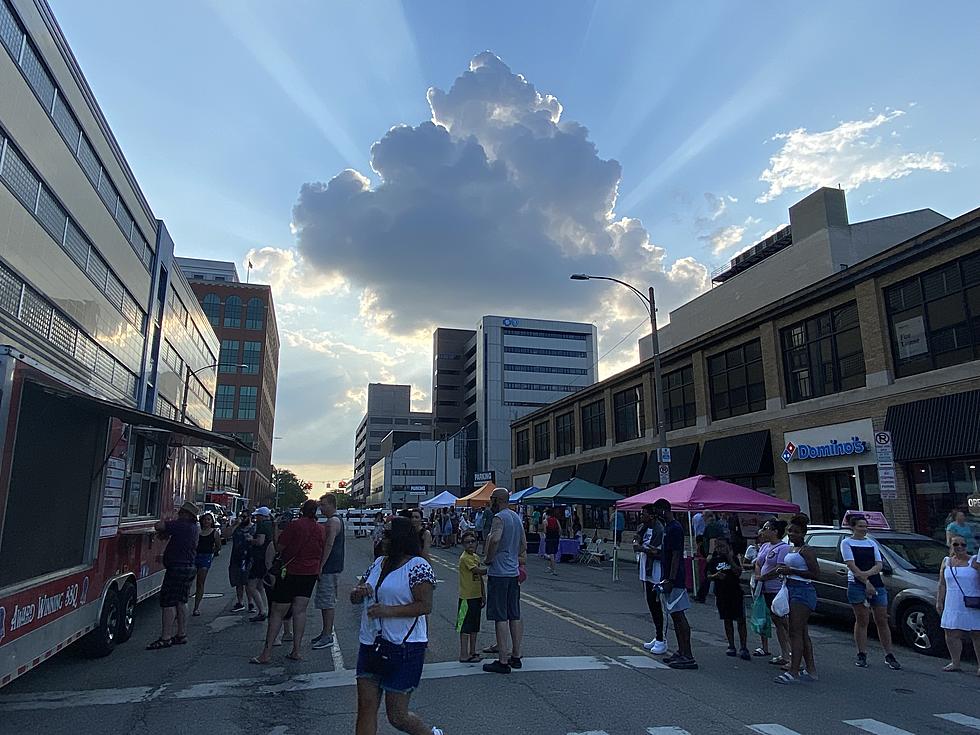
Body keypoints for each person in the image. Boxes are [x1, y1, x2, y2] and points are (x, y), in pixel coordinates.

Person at [350, 516, 443, 735]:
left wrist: (387, 611)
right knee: (366, 707)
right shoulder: (378, 563)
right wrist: (358, 593)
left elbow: (425, 605)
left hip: (404, 647)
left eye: (388, 534)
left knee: (397, 716)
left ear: (400, 538)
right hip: (371, 644)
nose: (382, 538)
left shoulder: (418, 566)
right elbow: (358, 592)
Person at [251, 499, 325, 664]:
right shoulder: (320, 529)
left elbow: (279, 548)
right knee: (300, 611)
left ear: (302, 511)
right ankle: (296, 650)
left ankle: (266, 653)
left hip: (290, 571)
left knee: (278, 611)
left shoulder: (295, 525)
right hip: (310, 573)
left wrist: (276, 529)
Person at [841, 514, 901, 670]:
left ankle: (889, 654)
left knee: (882, 619)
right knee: (862, 619)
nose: (864, 529)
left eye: (865, 526)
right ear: (853, 527)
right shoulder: (846, 543)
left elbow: (879, 564)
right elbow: (851, 565)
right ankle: (862, 653)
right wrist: (865, 581)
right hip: (857, 584)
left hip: (876, 583)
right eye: (860, 526)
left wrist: (868, 576)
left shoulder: (871, 542)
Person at [482, 487, 527, 674]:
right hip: (512, 571)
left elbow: (494, 540)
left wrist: (489, 558)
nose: (490, 502)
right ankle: (516, 655)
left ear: (497, 500)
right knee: (514, 614)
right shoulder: (516, 517)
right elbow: (523, 544)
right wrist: (512, 555)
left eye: (492, 499)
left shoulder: (499, 518)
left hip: (499, 572)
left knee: (500, 616)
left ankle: (502, 660)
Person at [147, 501, 200, 650]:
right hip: (189, 566)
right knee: (182, 601)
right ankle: (181, 634)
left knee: (168, 602)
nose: (178, 514)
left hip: (177, 567)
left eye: (181, 512)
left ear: (185, 514)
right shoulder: (193, 527)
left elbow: (159, 526)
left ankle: (166, 637)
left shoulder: (181, 525)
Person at [773, 514, 819, 684]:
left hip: (802, 591)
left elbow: (815, 573)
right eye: (790, 531)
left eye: (796, 532)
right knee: (802, 632)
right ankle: (810, 669)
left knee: (795, 632)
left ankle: (794, 670)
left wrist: (791, 571)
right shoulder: (792, 549)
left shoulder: (806, 550)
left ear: (803, 534)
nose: (792, 534)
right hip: (790, 588)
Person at [654, 498, 697, 670]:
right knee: (674, 615)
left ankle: (688, 655)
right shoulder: (668, 528)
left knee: (679, 616)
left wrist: (671, 579)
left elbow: (677, 555)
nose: (657, 515)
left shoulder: (675, 528)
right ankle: (681, 651)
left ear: (664, 510)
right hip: (668, 577)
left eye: (658, 511)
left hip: (676, 579)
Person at [936, 535, 980, 675]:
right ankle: (955, 662)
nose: (960, 547)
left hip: (972, 601)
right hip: (952, 601)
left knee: (977, 633)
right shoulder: (946, 561)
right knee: (951, 632)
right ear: (950, 545)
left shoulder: (974, 561)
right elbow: (942, 583)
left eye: (963, 544)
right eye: (956, 544)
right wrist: (939, 600)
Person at [754, 520, 790, 664]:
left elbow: (779, 568)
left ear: (775, 531)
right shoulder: (764, 546)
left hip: (777, 589)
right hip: (764, 588)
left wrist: (764, 577)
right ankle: (784, 654)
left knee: (783, 621)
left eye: (766, 528)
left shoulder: (783, 548)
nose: (763, 531)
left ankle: (792, 653)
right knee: (775, 621)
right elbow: (758, 562)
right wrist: (758, 576)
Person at [707, 537, 750, 660]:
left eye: (723, 547)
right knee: (727, 619)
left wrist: (729, 558)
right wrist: (716, 575)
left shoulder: (734, 558)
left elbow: (738, 572)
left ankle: (743, 646)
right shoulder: (714, 561)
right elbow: (708, 576)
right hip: (722, 593)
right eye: (718, 547)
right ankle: (731, 645)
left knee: (741, 620)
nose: (720, 549)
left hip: (735, 593)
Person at [312, 493, 345, 651]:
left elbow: (329, 544)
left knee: (327, 601)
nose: (321, 507)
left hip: (330, 567)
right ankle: (325, 632)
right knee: (325, 601)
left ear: (332, 504)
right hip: (331, 566)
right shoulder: (333, 520)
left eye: (323, 504)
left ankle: (327, 635)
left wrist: (321, 565)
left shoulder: (333, 521)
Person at [633, 503, 666, 654]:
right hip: (646, 569)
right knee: (651, 604)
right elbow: (637, 539)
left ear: (652, 515)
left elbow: (660, 553)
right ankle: (658, 635)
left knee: (659, 606)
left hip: (657, 571)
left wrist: (643, 549)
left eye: (644, 513)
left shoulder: (660, 530)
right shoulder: (643, 528)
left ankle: (662, 639)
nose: (641, 516)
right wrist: (637, 542)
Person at [457, 530, 487, 663]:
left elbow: (479, 578)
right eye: (467, 542)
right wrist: (493, 568)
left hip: (476, 595)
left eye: (473, 541)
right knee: (464, 627)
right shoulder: (465, 558)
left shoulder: (475, 557)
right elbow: (478, 571)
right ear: (463, 544)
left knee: (474, 626)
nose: (471, 544)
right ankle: (464, 653)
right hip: (466, 597)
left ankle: (473, 651)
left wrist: (483, 594)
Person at [247, 506, 274, 622]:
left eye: (257, 516)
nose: (256, 518)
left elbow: (260, 541)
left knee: (251, 585)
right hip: (268, 558)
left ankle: (262, 611)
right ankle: (265, 608)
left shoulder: (262, 526)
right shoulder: (272, 525)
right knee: (260, 586)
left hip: (259, 558)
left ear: (262, 516)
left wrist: (250, 539)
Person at [191, 512, 221, 617]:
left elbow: (218, 546)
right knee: (189, 581)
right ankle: (182, 605)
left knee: (200, 582)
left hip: (205, 557)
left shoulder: (215, 532)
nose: (206, 521)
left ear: (212, 521)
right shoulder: (197, 531)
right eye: (205, 519)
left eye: (209, 519)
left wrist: (212, 553)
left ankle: (196, 607)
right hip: (195, 556)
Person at [696, 511, 729, 602]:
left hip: (714, 554)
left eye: (703, 516)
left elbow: (712, 540)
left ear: (707, 516)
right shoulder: (715, 524)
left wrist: (710, 554)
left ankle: (701, 596)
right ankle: (703, 594)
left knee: (709, 574)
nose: (702, 517)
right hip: (716, 553)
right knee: (712, 574)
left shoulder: (712, 525)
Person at [226, 511, 254, 612]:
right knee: (238, 581)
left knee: (248, 582)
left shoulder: (253, 528)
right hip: (236, 558)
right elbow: (226, 535)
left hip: (249, 558)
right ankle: (240, 602)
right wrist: (234, 524)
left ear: (250, 517)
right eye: (241, 516)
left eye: (244, 516)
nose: (242, 518)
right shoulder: (237, 528)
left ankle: (251, 603)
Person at [543, 508, 561, 576]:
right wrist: (558, 534)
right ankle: (550, 567)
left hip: (549, 538)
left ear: (547, 515)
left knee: (551, 554)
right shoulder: (556, 520)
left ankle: (554, 570)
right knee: (554, 553)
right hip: (556, 538)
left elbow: (545, 531)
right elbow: (560, 529)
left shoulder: (545, 521)